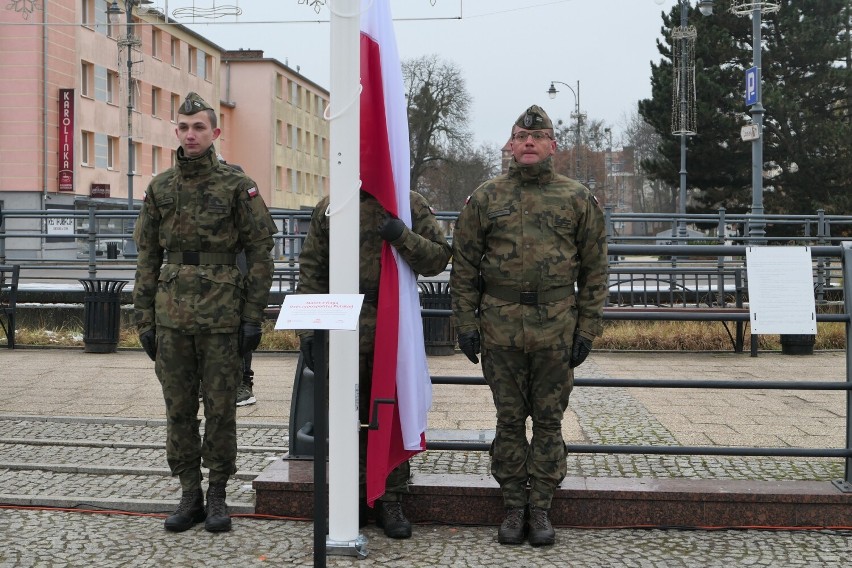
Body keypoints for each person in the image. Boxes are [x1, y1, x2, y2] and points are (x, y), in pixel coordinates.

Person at [449, 105, 608, 547]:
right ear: (511, 144)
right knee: (508, 421)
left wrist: (587, 330)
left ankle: (540, 507)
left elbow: (595, 270)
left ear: (553, 145)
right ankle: (512, 507)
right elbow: (463, 267)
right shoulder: (486, 198)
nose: (529, 143)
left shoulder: (577, 199)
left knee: (551, 422)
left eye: (537, 138)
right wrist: (466, 323)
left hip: (557, 327)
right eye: (521, 137)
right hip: (499, 327)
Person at [133, 92, 276, 533]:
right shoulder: (160, 188)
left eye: (199, 127)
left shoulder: (237, 186)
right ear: (175, 132)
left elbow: (260, 252)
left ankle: (217, 495)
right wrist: (145, 320)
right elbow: (146, 258)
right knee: (178, 410)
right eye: (184, 127)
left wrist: (253, 317)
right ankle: (189, 494)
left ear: (215, 133)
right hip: (171, 318)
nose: (190, 134)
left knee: (220, 410)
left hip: (222, 319)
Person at [296, 190, 451, 539]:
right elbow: (312, 268)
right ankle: (351, 497)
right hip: (342, 320)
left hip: (392, 320)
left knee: (389, 412)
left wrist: (402, 237)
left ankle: (390, 499)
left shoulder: (406, 202)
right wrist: (308, 330)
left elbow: (438, 259)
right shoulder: (333, 204)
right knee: (344, 414)